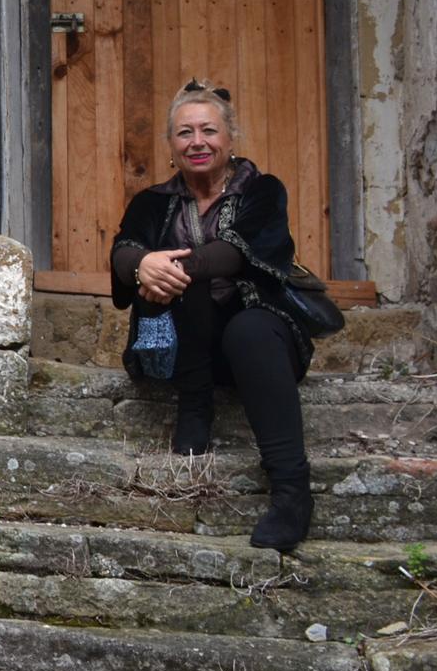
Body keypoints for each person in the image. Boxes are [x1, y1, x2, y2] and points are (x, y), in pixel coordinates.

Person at [108, 80, 314, 552]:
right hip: (182, 351)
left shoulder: (262, 191)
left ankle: (291, 493)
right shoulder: (151, 203)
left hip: (261, 347)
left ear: (230, 138)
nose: (197, 142)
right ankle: (194, 408)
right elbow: (122, 251)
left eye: (208, 130)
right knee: (175, 280)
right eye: (184, 133)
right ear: (171, 146)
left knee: (246, 324)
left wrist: (164, 265)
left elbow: (235, 255)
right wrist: (140, 264)